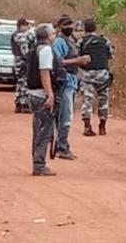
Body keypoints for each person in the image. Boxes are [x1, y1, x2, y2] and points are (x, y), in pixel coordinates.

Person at [52, 16, 90, 160]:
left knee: (66, 115)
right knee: (65, 116)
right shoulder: (59, 42)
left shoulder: (71, 41)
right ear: (60, 28)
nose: (70, 27)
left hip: (72, 80)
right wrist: (77, 60)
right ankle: (62, 147)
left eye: (71, 24)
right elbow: (58, 61)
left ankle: (61, 145)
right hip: (64, 81)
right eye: (67, 25)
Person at [28, 23, 58, 176]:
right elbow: (44, 73)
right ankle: (39, 164)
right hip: (41, 95)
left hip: (33, 93)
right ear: (47, 36)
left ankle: (37, 161)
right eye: (53, 33)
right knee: (44, 131)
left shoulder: (34, 49)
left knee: (38, 129)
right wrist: (50, 95)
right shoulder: (45, 50)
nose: (55, 35)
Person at [79, 18, 114, 136]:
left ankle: (87, 126)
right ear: (95, 28)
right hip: (102, 74)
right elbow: (111, 56)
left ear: (85, 29)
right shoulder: (104, 40)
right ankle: (102, 127)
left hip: (88, 74)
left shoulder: (81, 41)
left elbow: (78, 57)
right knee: (103, 100)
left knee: (87, 100)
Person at [11, 18, 36, 113]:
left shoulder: (14, 35)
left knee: (20, 83)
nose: (27, 27)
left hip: (18, 61)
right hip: (24, 61)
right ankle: (24, 104)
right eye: (26, 25)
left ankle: (18, 103)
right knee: (25, 82)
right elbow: (26, 49)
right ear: (21, 25)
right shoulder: (23, 35)